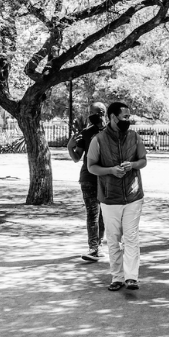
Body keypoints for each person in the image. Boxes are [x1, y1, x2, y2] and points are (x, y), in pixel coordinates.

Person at [85, 101, 149, 291]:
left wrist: (133, 165)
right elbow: (91, 167)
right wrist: (111, 170)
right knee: (113, 238)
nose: (128, 120)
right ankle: (117, 277)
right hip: (109, 196)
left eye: (129, 117)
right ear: (113, 117)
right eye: (125, 117)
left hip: (133, 195)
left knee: (131, 237)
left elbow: (143, 160)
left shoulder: (134, 137)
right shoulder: (98, 139)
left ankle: (131, 278)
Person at [69, 108, 107, 263]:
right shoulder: (85, 133)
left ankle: (99, 245)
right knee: (93, 212)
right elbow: (76, 158)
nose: (94, 115)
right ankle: (93, 248)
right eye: (92, 112)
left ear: (105, 113)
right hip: (88, 178)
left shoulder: (111, 131)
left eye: (97, 112)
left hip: (106, 178)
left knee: (104, 213)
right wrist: (70, 147)